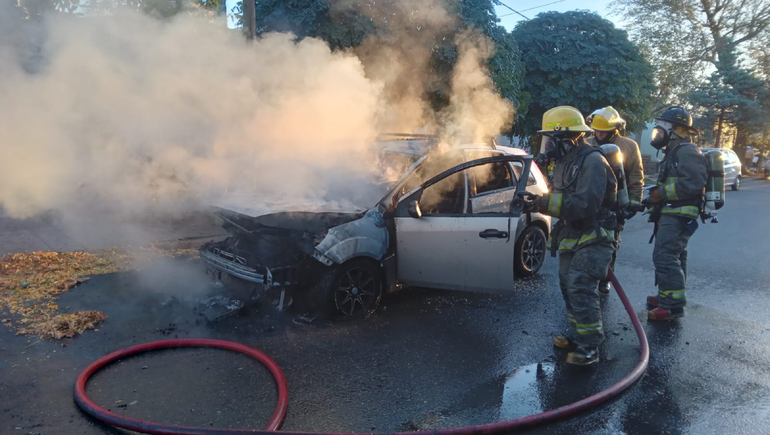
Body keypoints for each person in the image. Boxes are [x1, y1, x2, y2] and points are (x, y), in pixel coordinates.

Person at [525, 106, 618, 365]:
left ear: (566, 138)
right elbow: (561, 196)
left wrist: (542, 203)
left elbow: (586, 204)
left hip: (594, 235)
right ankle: (578, 336)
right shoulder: (567, 162)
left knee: (580, 286)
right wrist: (536, 201)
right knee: (568, 286)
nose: (547, 146)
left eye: (549, 140)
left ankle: (590, 347)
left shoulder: (592, 161)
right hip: (573, 233)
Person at [645, 106, 708, 321]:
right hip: (672, 212)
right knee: (676, 256)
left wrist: (661, 194)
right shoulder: (674, 151)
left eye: (663, 127)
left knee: (665, 256)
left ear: (677, 130)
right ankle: (668, 297)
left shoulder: (688, 152)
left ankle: (672, 307)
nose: (658, 131)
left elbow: (693, 184)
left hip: (679, 214)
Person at [587, 106, 644, 294]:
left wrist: (633, 203)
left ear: (614, 129)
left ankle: (605, 278)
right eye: (597, 130)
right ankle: (587, 278)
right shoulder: (587, 143)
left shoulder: (628, 146)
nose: (599, 134)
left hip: (616, 202)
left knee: (611, 243)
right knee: (585, 241)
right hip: (591, 200)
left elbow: (636, 176)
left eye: (604, 131)